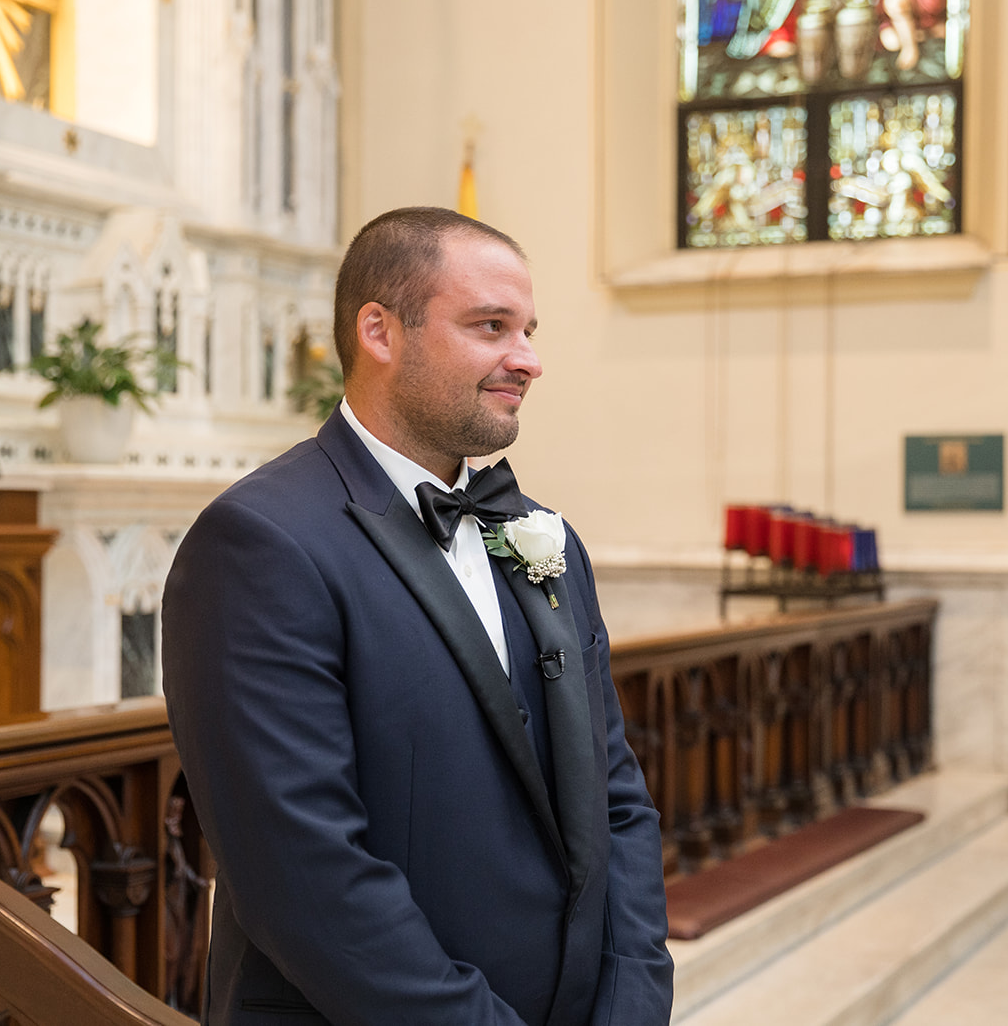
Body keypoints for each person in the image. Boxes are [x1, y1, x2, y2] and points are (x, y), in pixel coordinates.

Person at [162, 207, 673, 1025]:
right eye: (491, 326)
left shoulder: (544, 539)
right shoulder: (261, 544)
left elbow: (617, 798)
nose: (529, 360)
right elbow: (307, 877)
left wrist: (631, 1003)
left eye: (530, 330)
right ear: (380, 331)